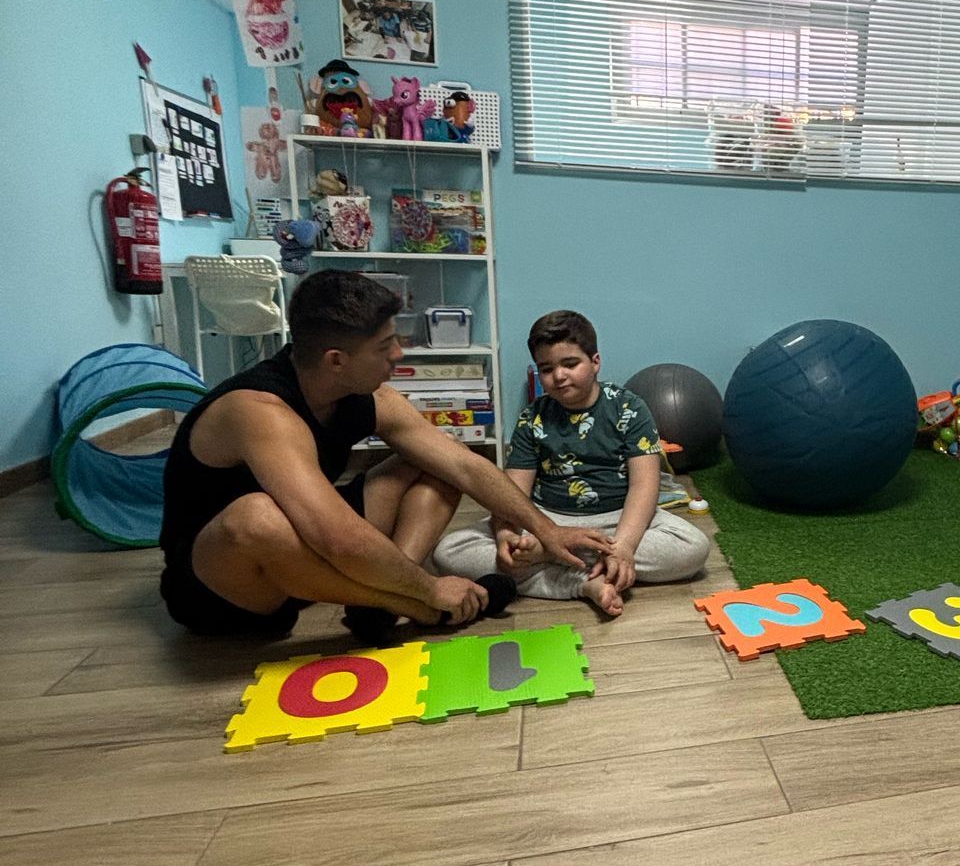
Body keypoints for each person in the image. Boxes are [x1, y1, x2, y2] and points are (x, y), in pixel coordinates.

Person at [159, 272, 610, 643]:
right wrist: (430, 589)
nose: (398, 354)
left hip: (308, 547)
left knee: (435, 460)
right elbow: (336, 537)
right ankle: (408, 602)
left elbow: (464, 466)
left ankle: (383, 602)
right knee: (257, 517)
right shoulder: (258, 411)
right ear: (336, 360)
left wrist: (547, 530)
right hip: (224, 586)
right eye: (384, 346)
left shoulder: (365, 394)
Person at [434, 309, 710, 617]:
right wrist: (506, 537)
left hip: (619, 521)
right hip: (546, 522)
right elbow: (511, 494)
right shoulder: (532, 418)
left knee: (694, 547)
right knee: (449, 552)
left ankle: (555, 559)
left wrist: (624, 547)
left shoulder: (630, 408)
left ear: (595, 362)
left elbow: (644, 486)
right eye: (547, 369)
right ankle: (582, 582)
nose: (559, 376)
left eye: (570, 364)